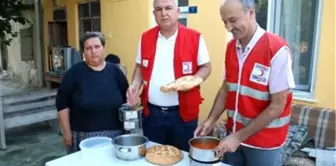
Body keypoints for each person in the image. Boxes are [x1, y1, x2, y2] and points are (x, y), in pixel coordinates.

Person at [194, 0, 295, 165]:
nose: (228, 28)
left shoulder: (276, 49)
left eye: (233, 20)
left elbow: (277, 106)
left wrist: (238, 137)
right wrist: (211, 120)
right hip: (233, 138)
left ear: (251, 13)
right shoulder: (231, 47)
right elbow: (226, 90)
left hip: (264, 145)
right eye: (224, 22)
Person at [126, 0, 211, 152]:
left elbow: (206, 67)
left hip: (183, 116)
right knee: (155, 155)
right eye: (158, 9)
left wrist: (193, 80)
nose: (164, 13)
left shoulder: (194, 37)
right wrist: (134, 85)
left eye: (168, 8)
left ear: (177, 12)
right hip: (152, 115)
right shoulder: (145, 38)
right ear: (154, 14)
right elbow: (139, 67)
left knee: (183, 156)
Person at [55, 32, 129, 154]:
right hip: (84, 137)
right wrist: (67, 133)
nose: (93, 51)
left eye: (97, 46)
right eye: (88, 48)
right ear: (83, 52)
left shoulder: (115, 72)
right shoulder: (74, 73)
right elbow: (62, 104)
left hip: (115, 136)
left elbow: (126, 101)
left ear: (103, 48)